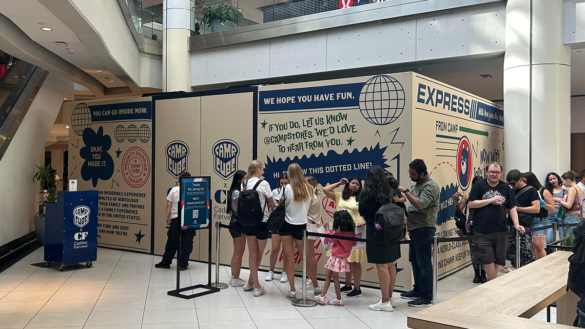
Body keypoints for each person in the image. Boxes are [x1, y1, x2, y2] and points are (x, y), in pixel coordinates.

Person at [467, 163, 525, 281]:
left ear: (501, 174)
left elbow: (512, 207)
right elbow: (471, 203)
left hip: (501, 230)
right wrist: (491, 200)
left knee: (498, 259)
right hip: (482, 230)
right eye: (492, 172)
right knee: (487, 258)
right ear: (486, 172)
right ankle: (493, 285)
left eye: (497, 172)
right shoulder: (479, 185)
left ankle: (491, 284)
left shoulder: (505, 187)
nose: (494, 174)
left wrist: (516, 224)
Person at [398, 159, 440, 307]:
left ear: (422, 174)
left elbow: (420, 204)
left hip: (424, 228)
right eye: (409, 173)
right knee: (414, 261)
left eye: (413, 174)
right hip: (414, 228)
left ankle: (427, 296)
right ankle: (418, 289)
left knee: (424, 263)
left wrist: (405, 190)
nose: (410, 176)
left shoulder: (431, 185)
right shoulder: (417, 183)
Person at [360, 165, 400, 312]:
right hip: (393, 230)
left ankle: (384, 302)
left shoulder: (366, 194)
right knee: (391, 264)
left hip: (375, 231)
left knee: (381, 266)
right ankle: (389, 298)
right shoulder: (391, 191)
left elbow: (362, 212)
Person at [280, 163, 321, 299]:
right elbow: (309, 206)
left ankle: (292, 290)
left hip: (285, 225)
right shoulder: (309, 188)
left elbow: (280, 204)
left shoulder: (286, 188)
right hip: (301, 225)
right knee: (306, 258)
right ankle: (316, 286)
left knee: (289, 258)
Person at [323, 177, 365, 297]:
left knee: (355, 261)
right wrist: (339, 183)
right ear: (348, 184)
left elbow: (368, 212)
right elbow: (325, 189)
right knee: (345, 258)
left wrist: (365, 221)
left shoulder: (362, 198)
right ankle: (347, 285)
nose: (355, 185)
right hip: (340, 230)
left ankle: (357, 288)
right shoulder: (339, 196)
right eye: (352, 183)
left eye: (357, 184)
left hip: (355, 230)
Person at [241, 160, 274, 297]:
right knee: (259, 253)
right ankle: (257, 287)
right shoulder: (264, 183)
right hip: (262, 221)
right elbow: (271, 202)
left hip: (248, 222)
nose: (263, 172)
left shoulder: (244, 184)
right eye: (262, 170)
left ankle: (250, 282)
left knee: (252, 254)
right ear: (258, 171)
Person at [313, 210, 356, 306]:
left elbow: (329, 238)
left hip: (336, 257)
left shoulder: (339, 232)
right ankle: (323, 295)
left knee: (334, 277)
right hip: (343, 258)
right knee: (328, 274)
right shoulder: (352, 233)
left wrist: (327, 229)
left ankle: (338, 299)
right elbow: (354, 243)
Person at [155, 171, 197, 270]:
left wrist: (167, 217)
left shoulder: (174, 190)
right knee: (187, 242)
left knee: (172, 241)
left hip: (176, 219)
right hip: (189, 219)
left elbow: (168, 205)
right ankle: (183, 264)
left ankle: (166, 262)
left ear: (179, 179)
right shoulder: (193, 189)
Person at [452, 176, 485, 283]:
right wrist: (454, 199)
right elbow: (459, 209)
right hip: (472, 225)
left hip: (482, 224)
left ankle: (482, 273)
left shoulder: (485, 195)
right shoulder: (468, 195)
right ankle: (477, 273)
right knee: (475, 250)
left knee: (482, 250)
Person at [506, 170, 539, 267]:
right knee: (512, 252)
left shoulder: (531, 190)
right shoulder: (511, 191)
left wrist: (518, 208)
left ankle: (531, 271)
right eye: (509, 183)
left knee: (525, 251)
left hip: (524, 224)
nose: (511, 185)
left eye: (513, 183)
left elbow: (536, 209)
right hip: (511, 224)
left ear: (520, 179)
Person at [523, 172, 555, 259]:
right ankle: (535, 264)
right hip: (527, 220)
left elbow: (552, 208)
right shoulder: (524, 191)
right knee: (531, 246)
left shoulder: (543, 191)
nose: (524, 184)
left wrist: (543, 204)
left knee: (538, 245)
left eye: (525, 182)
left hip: (540, 220)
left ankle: (543, 266)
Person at [266, 173, 290, 283]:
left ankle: (285, 272)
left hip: (288, 222)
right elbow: (270, 207)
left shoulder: (292, 192)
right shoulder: (274, 191)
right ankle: (271, 271)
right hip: (276, 222)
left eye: (286, 183)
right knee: (275, 248)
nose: (283, 185)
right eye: (282, 183)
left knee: (286, 250)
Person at [227, 170, 248, 287]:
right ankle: (235, 278)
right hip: (237, 224)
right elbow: (242, 206)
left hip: (238, 224)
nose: (246, 182)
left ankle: (234, 277)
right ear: (240, 180)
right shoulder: (236, 193)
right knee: (238, 252)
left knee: (239, 252)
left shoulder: (236, 192)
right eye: (245, 179)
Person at [556, 170, 584, 240]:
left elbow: (568, 205)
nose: (563, 184)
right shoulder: (580, 189)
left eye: (563, 181)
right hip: (575, 216)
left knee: (567, 240)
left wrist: (559, 201)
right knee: (573, 239)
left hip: (569, 217)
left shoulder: (572, 189)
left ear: (568, 180)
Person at [305, 175, 321, 290]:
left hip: (309, 224)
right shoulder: (316, 195)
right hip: (313, 225)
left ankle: (311, 280)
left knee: (309, 255)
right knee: (311, 254)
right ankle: (311, 279)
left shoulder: (311, 197)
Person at [545, 172, 565, 239]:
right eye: (550, 180)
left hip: (561, 215)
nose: (553, 181)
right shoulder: (547, 191)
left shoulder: (565, 191)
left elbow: (564, 202)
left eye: (554, 178)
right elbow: (544, 201)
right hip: (550, 216)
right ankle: (552, 250)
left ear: (558, 179)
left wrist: (552, 201)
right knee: (549, 239)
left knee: (563, 238)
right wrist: (556, 200)